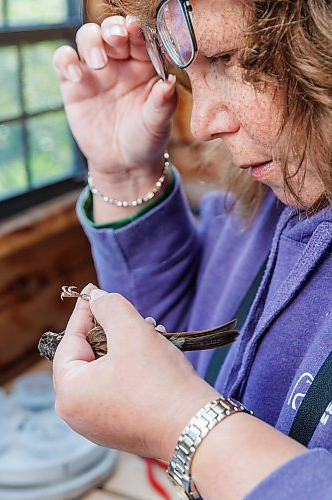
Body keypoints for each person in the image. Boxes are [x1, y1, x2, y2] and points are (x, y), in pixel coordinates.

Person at [52, 0, 332, 498]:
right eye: (190, 74)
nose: (201, 122)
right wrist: (124, 173)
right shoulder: (268, 200)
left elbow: (178, 403)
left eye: (225, 58)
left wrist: (190, 426)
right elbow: (181, 349)